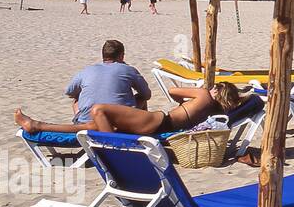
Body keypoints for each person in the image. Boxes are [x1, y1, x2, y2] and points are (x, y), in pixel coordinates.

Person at [17, 80, 241, 137]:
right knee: (89, 126)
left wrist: (197, 87)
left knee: (99, 110)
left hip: (157, 120)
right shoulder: (213, 111)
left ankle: (109, 146)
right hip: (158, 125)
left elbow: (172, 91)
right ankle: (37, 125)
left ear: (216, 90)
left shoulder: (202, 95)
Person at [43, 40, 154, 131]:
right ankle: (144, 131)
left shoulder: (88, 70)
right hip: (120, 123)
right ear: (121, 56)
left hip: (87, 123)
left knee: (77, 98)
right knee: (141, 98)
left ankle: (84, 119)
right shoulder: (128, 69)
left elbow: (69, 91)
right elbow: (147, 94)